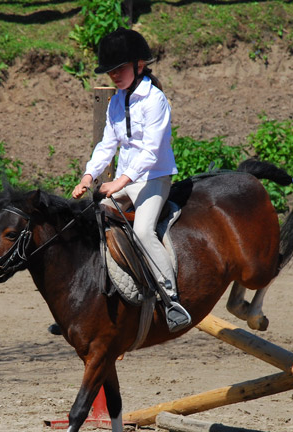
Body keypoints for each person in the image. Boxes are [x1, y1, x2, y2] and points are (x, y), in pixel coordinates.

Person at [71, 28, 191, 332]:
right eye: (110, 70)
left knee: (142, 230)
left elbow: (151, 152)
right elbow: (106, 145)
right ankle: (92, 301)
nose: (113, 75)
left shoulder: (155, 100)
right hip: (126, 180)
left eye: (119, 69)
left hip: (154, 179)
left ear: (139, 65)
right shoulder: (116, 102)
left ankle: (172, 300)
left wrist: (118, 182)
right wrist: (89, 175)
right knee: (92, 220)